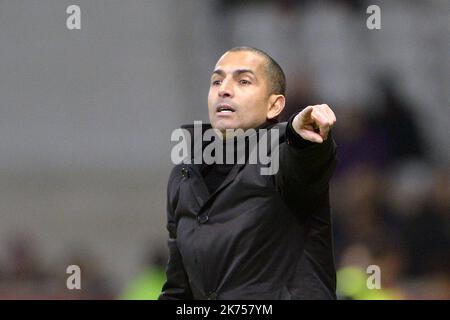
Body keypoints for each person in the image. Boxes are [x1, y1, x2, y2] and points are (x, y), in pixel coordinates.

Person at [159, 46, 337, 300]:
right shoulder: (184, 176)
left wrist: (301, 139)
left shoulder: (282, 153)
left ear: (274, 106)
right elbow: (179, 290)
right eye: (216, 81)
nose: (224, 89)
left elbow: (306, 165)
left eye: (243, 81)